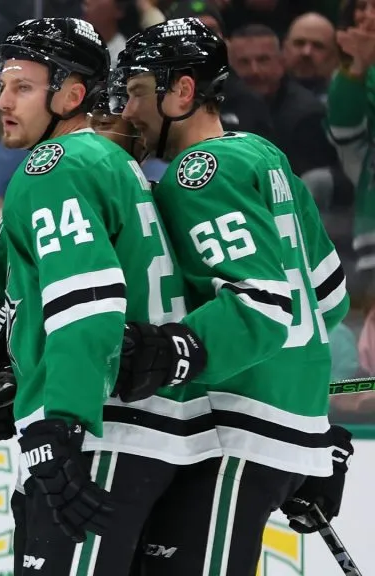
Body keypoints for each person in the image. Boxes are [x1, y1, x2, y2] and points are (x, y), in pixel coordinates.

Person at [0, 17, 221, 576]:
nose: (3, 101)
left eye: (24, 87)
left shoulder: (54, 168)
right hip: (160, 435)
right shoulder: (114, 165)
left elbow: (86, 299)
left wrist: (61, 420)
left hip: (101, 432)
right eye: (3, 85)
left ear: (72, 94)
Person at [112, 18, 353, 574]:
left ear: (184, 91)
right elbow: (329, 298)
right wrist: (308, 425)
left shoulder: (198, 173)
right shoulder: (263, 156)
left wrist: (171, 349)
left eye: (139, 92)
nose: (127, 111)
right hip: (290, 418)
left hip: (240, 427)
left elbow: (261, 302)